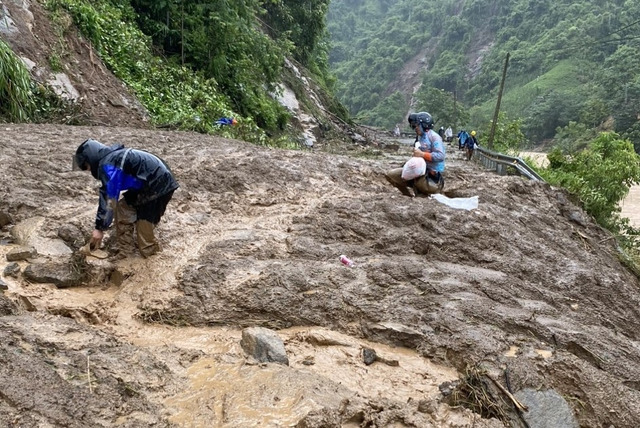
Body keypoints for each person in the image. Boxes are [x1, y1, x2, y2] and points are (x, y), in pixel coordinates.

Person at [73, 139, 179, 258]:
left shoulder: (108, 165)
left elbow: (109, 197)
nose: (88, 170)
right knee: (123, 209)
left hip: (158, 185)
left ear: (91, 159)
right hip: (145, 185)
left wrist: (99, 228)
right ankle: (126, 252)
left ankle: (151, 259)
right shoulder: (112, 159)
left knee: (144, 229)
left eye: (86, 166)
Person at [385, 111, 445, 196]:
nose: (415, 128)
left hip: (431, 177)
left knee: (419, 188)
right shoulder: (419, 138)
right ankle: (407, 195)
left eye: (416, 125)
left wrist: (423, 154)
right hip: (418, 171)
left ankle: (423, 193)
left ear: (424, 125)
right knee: (391, 175)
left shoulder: (434, 137)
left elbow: (440, 156)